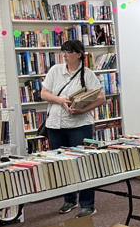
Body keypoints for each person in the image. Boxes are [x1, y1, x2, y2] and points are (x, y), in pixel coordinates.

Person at [40, 39, 106, 217]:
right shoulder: (55, 70)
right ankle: (69, 200)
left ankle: (88, 204)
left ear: (78, 54)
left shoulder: (88, 74)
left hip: (80, 125)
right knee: (62, 164)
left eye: (68, 52)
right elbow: (44, 93)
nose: (65, 55)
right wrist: (61, 101)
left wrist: (83, 109)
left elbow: (101, 98)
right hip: (55, 124)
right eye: (63, 52)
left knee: (84, 163)